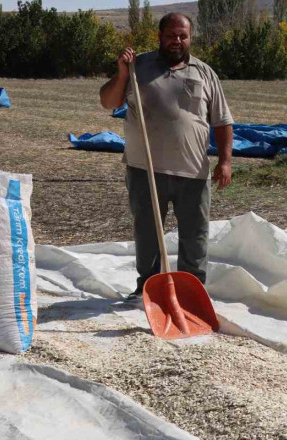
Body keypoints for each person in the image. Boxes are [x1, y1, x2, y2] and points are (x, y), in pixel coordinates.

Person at [98, 13, 234, 301]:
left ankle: (192, 292)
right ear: (160, 36)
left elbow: (222, 121)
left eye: (183, 35)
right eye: (172, 35)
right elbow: (109, 102)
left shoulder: (205, 73)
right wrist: (122, 73)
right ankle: (147, 289)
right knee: (147, 234)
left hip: (193, 171)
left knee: (195, 236)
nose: (177, 40)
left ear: (190, 38)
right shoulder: (138, 67)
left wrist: (225, 161)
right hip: (144, 168)